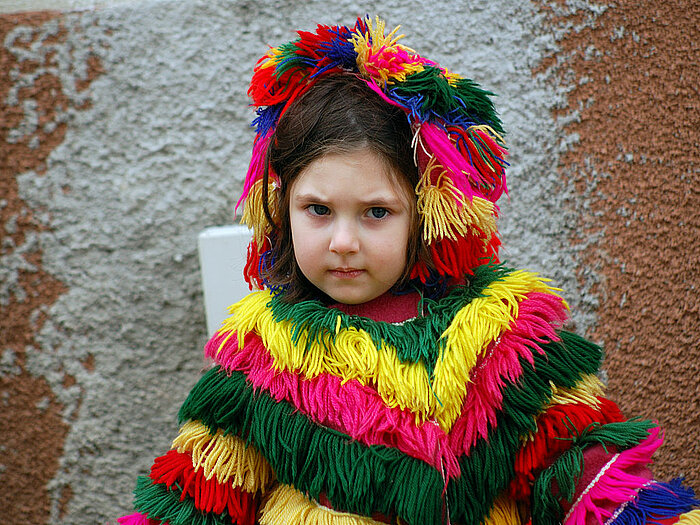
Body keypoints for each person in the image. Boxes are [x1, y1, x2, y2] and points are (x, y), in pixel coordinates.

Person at [119, 16, 699, 525]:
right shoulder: (259, 358)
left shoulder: (501, 337)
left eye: (377, 212)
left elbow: (581, 469)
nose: (343, 242)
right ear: (280, 207)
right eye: (318, 210)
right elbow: (198, 498)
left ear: (425, 212)